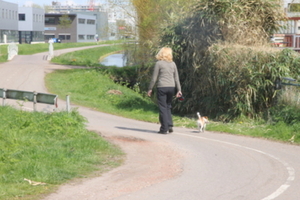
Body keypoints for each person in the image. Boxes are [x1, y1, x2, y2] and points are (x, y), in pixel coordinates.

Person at [147, 47, 182, 134]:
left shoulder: (159, 63)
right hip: (171, 87)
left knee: (162, 107)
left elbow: (154, 79)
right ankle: (169, 125)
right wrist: (179, 90)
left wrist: (150, 88)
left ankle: (164, 128)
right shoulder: (173, 64)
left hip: (162, 87)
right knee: (168, 106)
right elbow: (176, 78)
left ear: (161, 53)